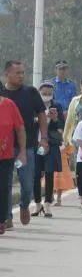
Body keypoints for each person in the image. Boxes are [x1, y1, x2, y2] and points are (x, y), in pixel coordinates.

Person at [1, 61, 48, 227]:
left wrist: (43, 138)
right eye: (17, 73)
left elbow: (42, 114)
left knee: (27, 182)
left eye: (22, 73)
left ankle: (24, 205)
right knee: (4, 184)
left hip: (25, 147)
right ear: (7, 74)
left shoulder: (30, 92)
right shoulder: (2, 93)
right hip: (4, 147)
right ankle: (6, 218)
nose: (21, 76)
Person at [32, 82, 64, 218]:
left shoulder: (57, 106)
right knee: (36, 174)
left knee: (49, 173)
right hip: (36, 144)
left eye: (49, 93)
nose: (46, 96)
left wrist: (55, 118)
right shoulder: (33, 105)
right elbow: (27, 122)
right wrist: (39, 118)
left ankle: (47, 204)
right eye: (44, 93)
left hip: (50, 145)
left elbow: (61, 127)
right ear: (39, 92)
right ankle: (37, 203)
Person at [0, 93, 26, 234]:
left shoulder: (9, 105)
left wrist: (22, 151)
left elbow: (20, 128)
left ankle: (1, 220)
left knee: (3, 188)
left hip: (5, 156)